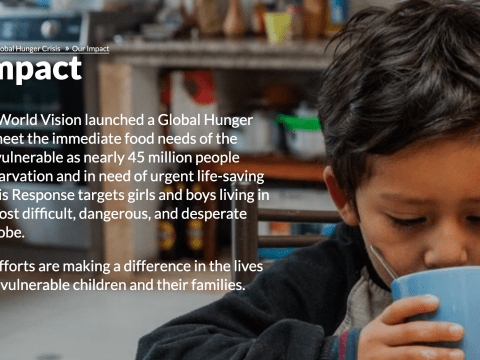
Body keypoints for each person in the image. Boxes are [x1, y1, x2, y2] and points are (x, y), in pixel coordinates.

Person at [136, 0, 480, 358]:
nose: (449, 254)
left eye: (479, 216)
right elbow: (163, 350)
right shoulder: (322, 283)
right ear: (344, 196)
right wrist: (336, 354)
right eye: (408, 220)